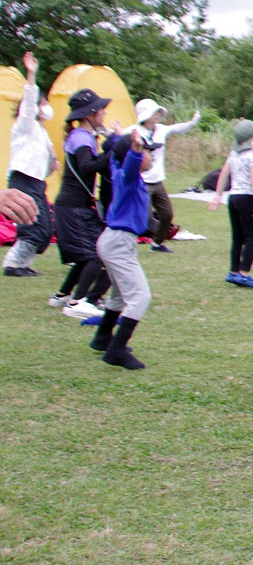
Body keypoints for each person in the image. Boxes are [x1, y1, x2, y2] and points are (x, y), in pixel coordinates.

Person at [88, 128, 153, 369]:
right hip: (118, 242)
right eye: (148, 152)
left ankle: (103, 338)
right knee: (140, 296)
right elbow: (127, 163)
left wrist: (116, 136)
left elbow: (116, 156)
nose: (151, 156)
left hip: (114, 240)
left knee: (118, 294)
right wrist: (135, 150)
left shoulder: (118, 171)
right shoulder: (129, 176)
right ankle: (116, 351)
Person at [48, 88, 115, 319]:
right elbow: (86, 166)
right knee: (96, 254)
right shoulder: (82, 138)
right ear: (90, 113)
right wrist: (112, 153)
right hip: (73, 206)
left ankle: (63, 295)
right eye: (101, 110)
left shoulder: (82, 136)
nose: (104, 113)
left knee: (88, 254)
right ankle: (81, 301)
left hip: (73, 205)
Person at [3, 51, 56, 278]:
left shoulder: (41, 132)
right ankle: (13, 263)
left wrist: (52, 163)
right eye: (43, 103)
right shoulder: (24, 126)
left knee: (44, 227)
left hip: (36, 181)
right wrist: (31, 75)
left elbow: (45, 156)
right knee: (31, 225)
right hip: (23, 179)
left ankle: (22, 263)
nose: (46, 107)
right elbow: (28, 105)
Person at [131, 97, 202, 253]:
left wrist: (193, 122)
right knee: (142, 217)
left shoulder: (161, 129)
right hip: (141, 181)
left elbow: (178, 128)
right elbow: (116, 136)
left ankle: (157, 244)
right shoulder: (135, 131)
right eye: (154, 112)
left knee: (167, 214)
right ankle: (127, 244)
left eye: (158, 112)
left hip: (157, 181)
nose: (157, 115)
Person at [211, 119, 253, 288]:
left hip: (233, 197)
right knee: (252, 237)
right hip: (246, 197)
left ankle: (233, 272)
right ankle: (244, 274)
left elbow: (224, 174)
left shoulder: (234, 154)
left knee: (237, 238)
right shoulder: (251, 155)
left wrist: (218, 195)